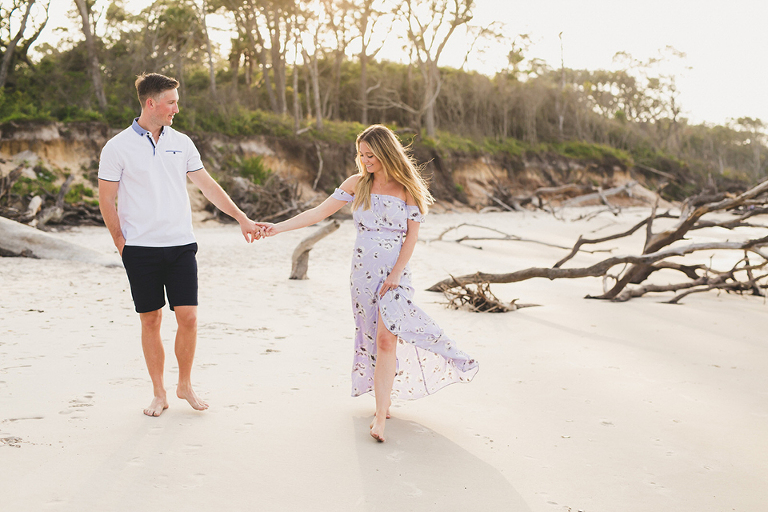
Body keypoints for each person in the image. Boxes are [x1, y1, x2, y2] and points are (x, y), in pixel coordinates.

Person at [260, 124, 478, 442]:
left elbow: (411, 239)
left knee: (388, 339)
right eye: (361, 154)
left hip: (395, 276)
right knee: (373, 337)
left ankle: (379, 417)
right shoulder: (357, 184)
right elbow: (318, 213)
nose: (365, 160)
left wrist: (394, 275)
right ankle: (383, 400)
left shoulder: (407, 189)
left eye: (371, 155)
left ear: (387, 152)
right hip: (363, 274)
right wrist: (277, 228)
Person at [98, 73, 260, 417]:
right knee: (151, 320)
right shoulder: (117, 147)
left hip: (181, 244)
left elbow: (208, 186)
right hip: (140, 249)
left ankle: (184, 384)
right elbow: (106, 200)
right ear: (150, 103)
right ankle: (159, 392)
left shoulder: (182, 142)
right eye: (171, 102)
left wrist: (241, 217)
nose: (176, 108)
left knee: (188, 317)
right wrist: (121, 244)